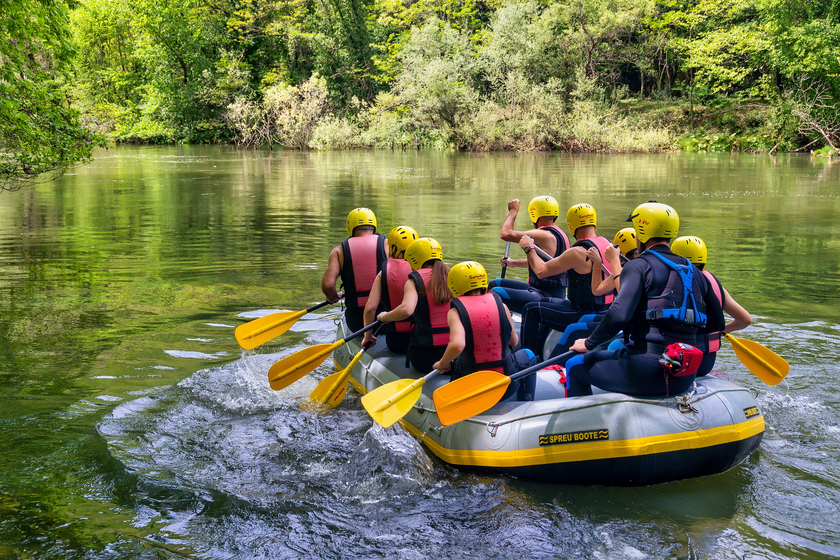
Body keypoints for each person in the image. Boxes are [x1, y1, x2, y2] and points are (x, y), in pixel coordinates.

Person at [566, 202, 726, 398]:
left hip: (646, 370)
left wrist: (589, 343)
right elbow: (717, 323)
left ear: (641, 231)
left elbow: (618, 314)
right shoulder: (695, 272)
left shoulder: (638, 266)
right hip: (684, 373)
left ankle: (585, 427)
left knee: (573, 365)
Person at [517, 203, 620, 357]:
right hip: (603, 309)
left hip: (582, 312)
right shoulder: (607, 244)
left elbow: (540, 271)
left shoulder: (577, 252)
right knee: (545, 302)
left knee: (530, 310)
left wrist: (528, 248)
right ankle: (540, 350)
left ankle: (526, 359)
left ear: (571, 225)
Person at [433, 262, 538, 401]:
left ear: (454, 285)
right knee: (528, 354)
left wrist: (442, 363)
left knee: (459, 360)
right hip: (505, 387)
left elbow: (457, 345)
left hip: (471, 388)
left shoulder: (455, 311)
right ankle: (526, 401)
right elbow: (514, 341)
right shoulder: (502, 305)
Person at [671, 236, 752, 376]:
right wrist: (723, 330)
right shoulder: (713, 283)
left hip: (678, 360)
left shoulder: (672, 283)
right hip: (705, 363)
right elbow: (745, 320)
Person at [377, 238, 451, 373]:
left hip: (426, 356)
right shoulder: (453, 275)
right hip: (453, 356)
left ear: (415, 260)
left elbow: (406, 310)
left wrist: (385, 316)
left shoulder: (414, 280)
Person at [490, 196, 571, 314]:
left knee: (495, 292)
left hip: (543, 294)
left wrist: (513, 211)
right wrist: (514, 263)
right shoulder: (559, 233)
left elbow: (506, 234)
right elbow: (543, 262)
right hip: (541, 290)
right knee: (495, 283)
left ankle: (500, 324)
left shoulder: (543, 234)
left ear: (534, 213)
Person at [321, 208, 388, 332]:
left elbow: (328, 285)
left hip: (357, 321)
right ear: (374, 226)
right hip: (386, 318)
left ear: (349, 226)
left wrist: (333, 297)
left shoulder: (339, 251)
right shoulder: (388, 245)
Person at [361, 226, 419, 353]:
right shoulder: (425, 272)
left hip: (397, 342)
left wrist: (368, 336)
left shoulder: (383, 273)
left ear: (393, 248)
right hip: (422, 340)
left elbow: (370, 309)